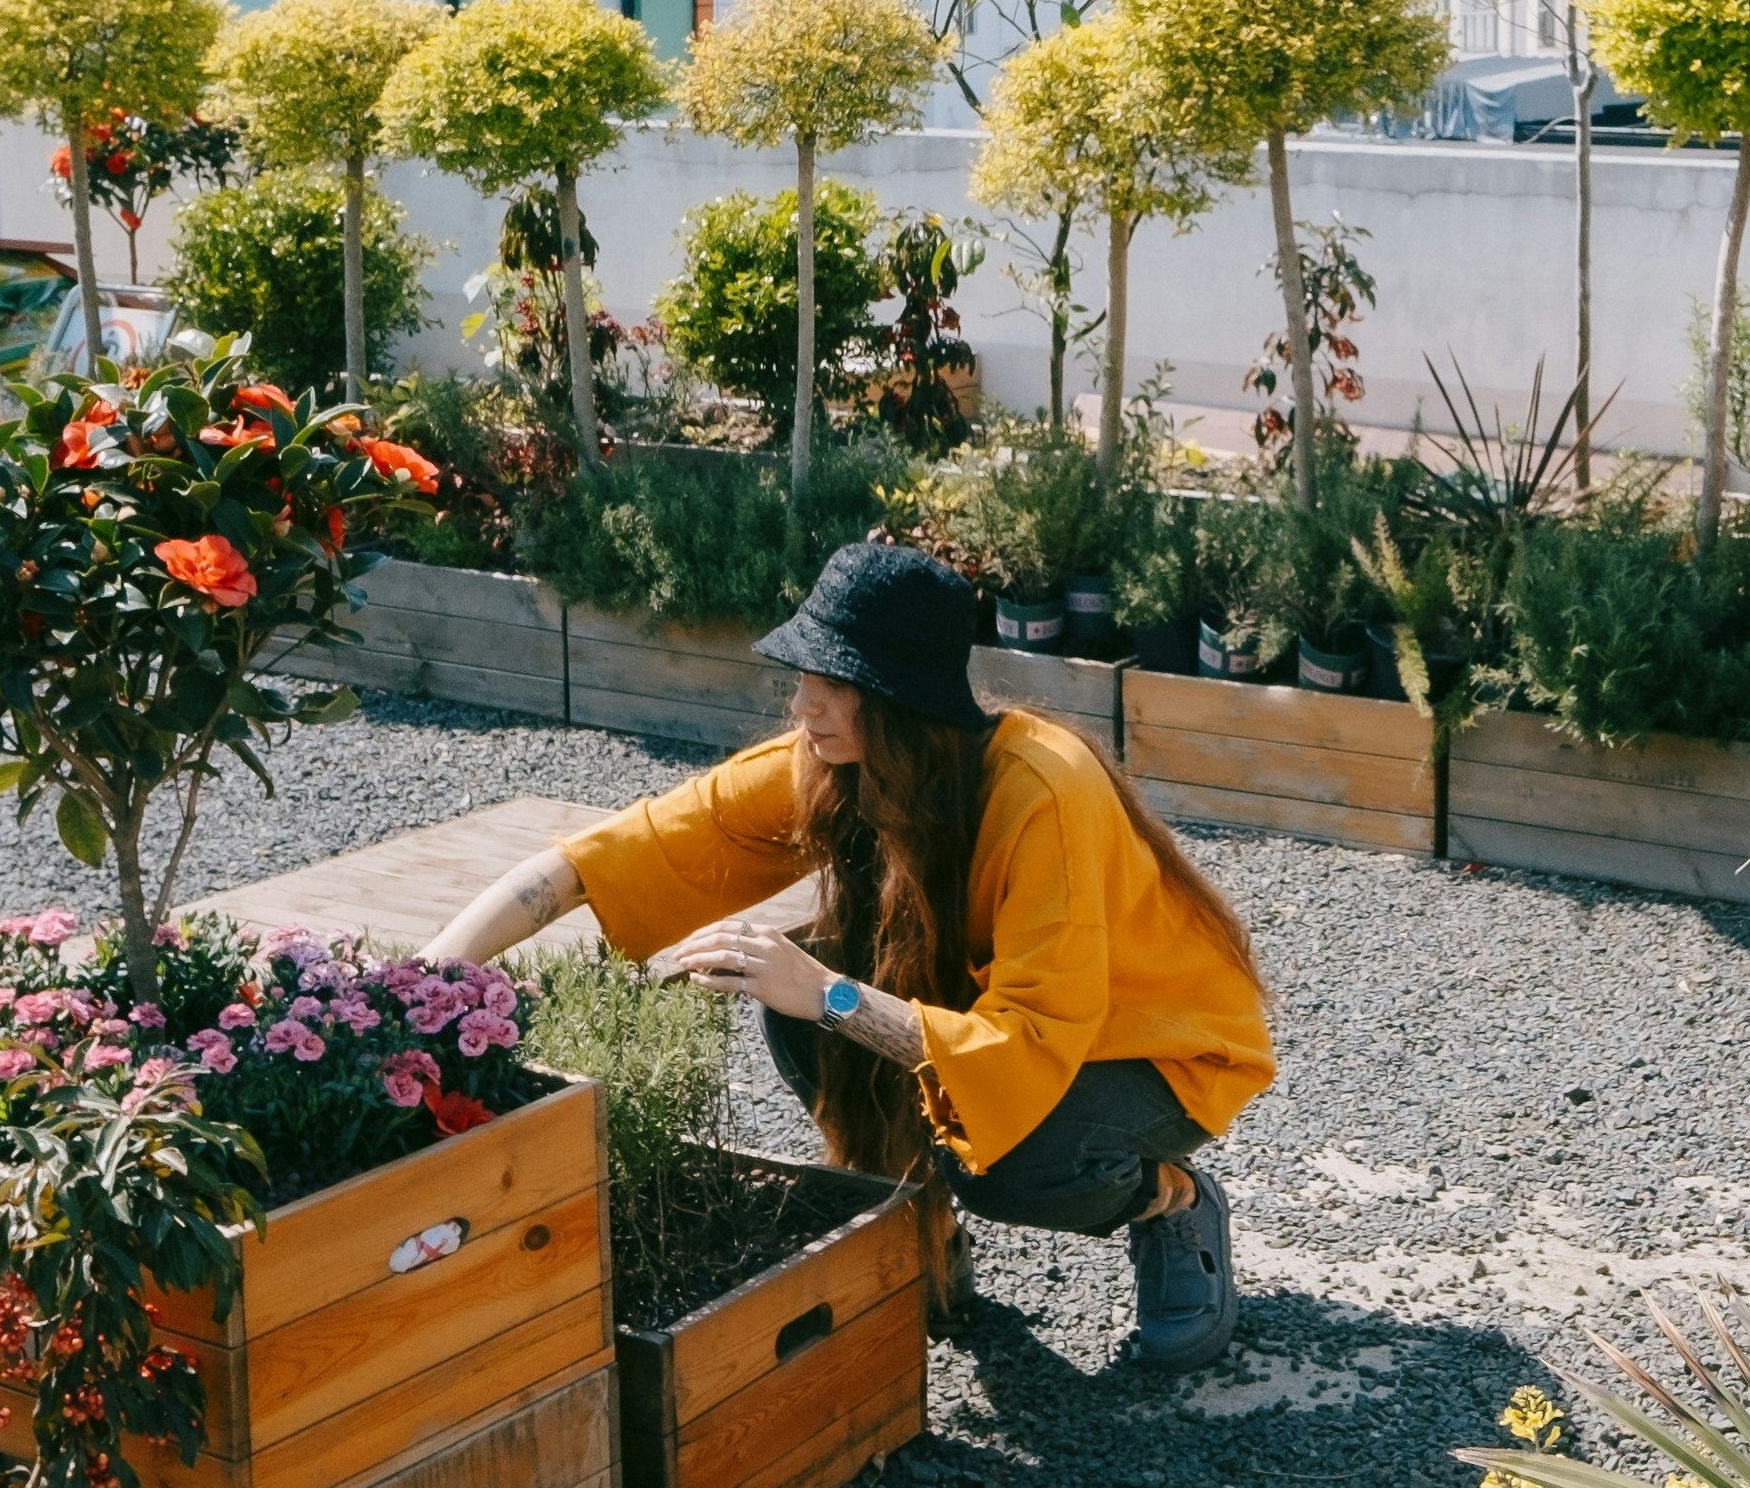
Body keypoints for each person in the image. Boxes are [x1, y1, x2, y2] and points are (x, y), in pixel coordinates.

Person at [427, 543, 1272, 1368]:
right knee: (798, 1004)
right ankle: (920, 1222)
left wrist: (833, 995)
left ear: (898, 696)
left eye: (832, 685)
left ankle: (1175, 1201)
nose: (804, 706)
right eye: (804, 678)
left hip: (1149, 1047)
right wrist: (425, 976)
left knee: (1009, 1164)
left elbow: (1031, 1047)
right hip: (1008, 1034)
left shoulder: (1044, 793)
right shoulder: (833, 767)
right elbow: (603, 859)